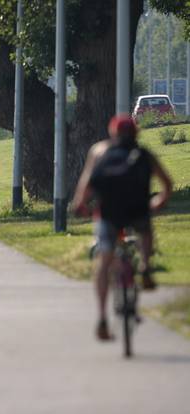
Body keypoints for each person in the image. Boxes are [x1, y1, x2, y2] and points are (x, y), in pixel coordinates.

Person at [72, 114, 173, 341]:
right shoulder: (144, 154)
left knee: (104, 261)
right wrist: (158, 202)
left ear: (112, 132)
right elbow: (167, 185)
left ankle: (101, 318)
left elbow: (86, 183)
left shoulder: (99, 151)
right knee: (145, 230)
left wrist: (80, 205)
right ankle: (145, 266)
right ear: (136, 133)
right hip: (137, 209)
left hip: (107, 212)